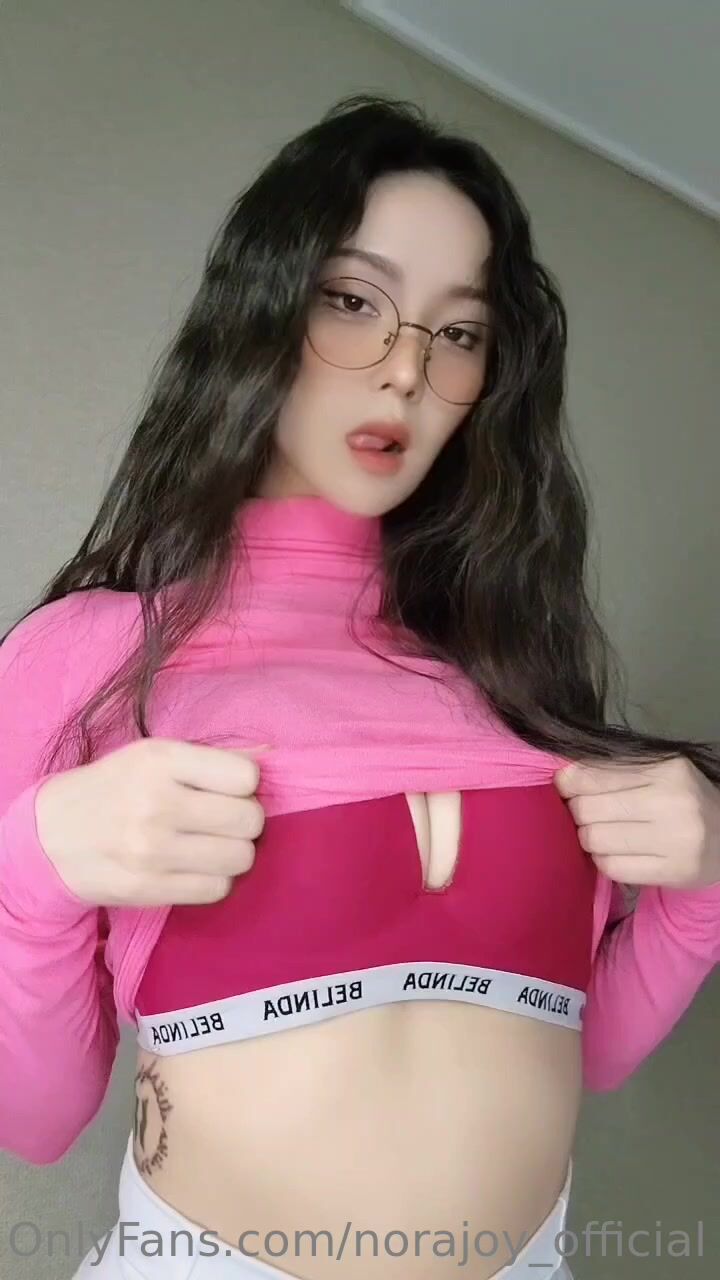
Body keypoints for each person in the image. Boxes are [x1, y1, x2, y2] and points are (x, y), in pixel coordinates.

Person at [1, 93, 718, 1280]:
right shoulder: (95, 653)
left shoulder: (517, 672)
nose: (406, 369)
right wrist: (29, 871)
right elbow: (36, 1120)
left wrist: (699, 898)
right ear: (264, 307)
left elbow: (580, 1051)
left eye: (459, 331)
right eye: (353, 300)